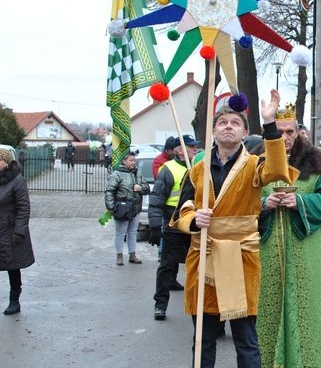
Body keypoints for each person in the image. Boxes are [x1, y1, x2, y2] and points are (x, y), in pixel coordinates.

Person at [170, 90, 298, 368]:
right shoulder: (197, 169)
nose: (229, 126)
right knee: (202, 337)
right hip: (204, 257)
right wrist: (193, 219)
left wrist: (270, 124)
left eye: (235, 123)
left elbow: (278, 170)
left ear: (244, 132)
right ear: (213, 131)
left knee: (246, 338)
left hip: (241, 259)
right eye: (223, 122)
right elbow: (182, 209)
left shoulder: (255, 165)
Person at [257, 104, 321, 368]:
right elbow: (242, 203)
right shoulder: (257, 162)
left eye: (290, 131)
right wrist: (265, 204)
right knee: (267, 307)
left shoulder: (316, 162)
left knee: (306, 309)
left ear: (299, 132)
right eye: (279, 131)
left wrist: (300, 202)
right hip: (267, 249)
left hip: (305, 249)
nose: (285, 137)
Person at [149, 135, 201, 321]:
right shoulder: (168, 170)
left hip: (194, 225)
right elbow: (156, 199)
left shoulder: (199, 167)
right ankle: (160, 305)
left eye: (195, 147)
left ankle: (200, 307)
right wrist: (155, 225)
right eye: (190, 147)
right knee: (167, 267)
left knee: (199, 267)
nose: (195, 149)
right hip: (173, 224)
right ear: (179, 150)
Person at [0, 148, 34, 315]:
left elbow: (23, 207)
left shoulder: (17, 180)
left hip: (9, 231)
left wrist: (19, 231)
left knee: (12, 266)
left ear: (6, 162)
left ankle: (14, 300)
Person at [104, 151, 150, 266]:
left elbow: (147, 188)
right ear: (124, 161)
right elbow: (109, 191)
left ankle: (132, 255)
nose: (133, 163)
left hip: (136, 207)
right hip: (122, 208)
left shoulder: (138, 173)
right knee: (120, 233)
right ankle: (119, 256)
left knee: (133, 232)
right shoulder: (116, 174)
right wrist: (111, 207)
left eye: (134, 160)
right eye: (131, 160)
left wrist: (140, 188)